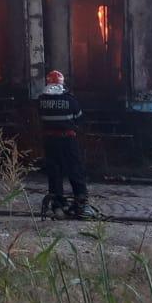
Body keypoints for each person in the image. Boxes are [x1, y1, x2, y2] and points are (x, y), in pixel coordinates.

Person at [38, 70, 89, 219]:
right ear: (62, 83)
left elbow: (41, 118)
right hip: (68, 141)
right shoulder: (70, 100)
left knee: (54, 172)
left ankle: (58, 204)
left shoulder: (41, 100)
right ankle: (81, 203)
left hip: (50, 142)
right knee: (75, 169)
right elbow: (79, 119)